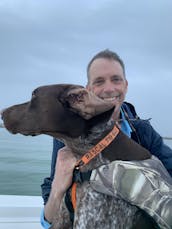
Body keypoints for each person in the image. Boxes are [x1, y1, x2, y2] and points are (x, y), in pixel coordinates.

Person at [40, 49, 172, 228]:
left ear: (125, 85)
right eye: (99, 82)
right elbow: (48, 221)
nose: (109, 89)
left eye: (116, 79)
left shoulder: (143, 133)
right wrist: (58, 186)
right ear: (87, 90)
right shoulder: (69, 137)